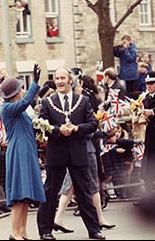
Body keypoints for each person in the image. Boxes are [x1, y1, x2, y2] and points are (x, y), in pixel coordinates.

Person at [37, 67, 105, 240]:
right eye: (56, 78)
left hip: (78, 151)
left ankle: (94, 229)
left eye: (62, 78)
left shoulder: (82, 101)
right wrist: (58, 130)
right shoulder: (47, 102)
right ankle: (45, 230)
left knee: (84, 191)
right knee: (50, 191)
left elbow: (92, 123)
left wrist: (77, 128)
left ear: (69, 80)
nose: (59, 81)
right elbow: (41, 125)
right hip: (57, 151)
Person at [0, 64, 46, 240]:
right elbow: (26, 101)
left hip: (26, 151)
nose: (23, 91)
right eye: (21, 89)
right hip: (18, 152)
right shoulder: (7, 108)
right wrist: (35, 83)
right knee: (19, 194)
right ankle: (14, 232)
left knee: (25, 195)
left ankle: (23, 231)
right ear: (15, 93)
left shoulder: (18, 109)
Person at [113, 35, 139, 99]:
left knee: (132, 93)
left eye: (125, 41)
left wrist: (125, 49)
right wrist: (117, 46)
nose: (124, 43)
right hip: (124, 74)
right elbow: (115, 53)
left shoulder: (133, 49)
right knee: (125, 92)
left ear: (129, 41)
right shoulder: (122, 49)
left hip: (132, 75)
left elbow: (130, 58)